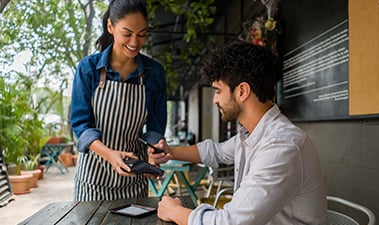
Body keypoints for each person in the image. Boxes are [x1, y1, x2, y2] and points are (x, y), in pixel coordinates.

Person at [151, 41, 328, 225]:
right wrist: (169, 151)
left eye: (218, 91)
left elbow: (231, 222)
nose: (215, 100)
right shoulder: (252, 134)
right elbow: (216, 151)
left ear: (242, 91)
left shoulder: (282, 146)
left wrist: (175, 212)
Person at [70, 0, 167, 201]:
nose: (134, 42)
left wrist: (154, 152)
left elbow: (155, 125)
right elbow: (81, 125)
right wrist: (110, 155)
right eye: (127, 33)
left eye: (141, 35)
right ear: (110, 27)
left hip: (134, 179)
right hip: (93, 181)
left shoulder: (154, 73)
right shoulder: (88, 68)